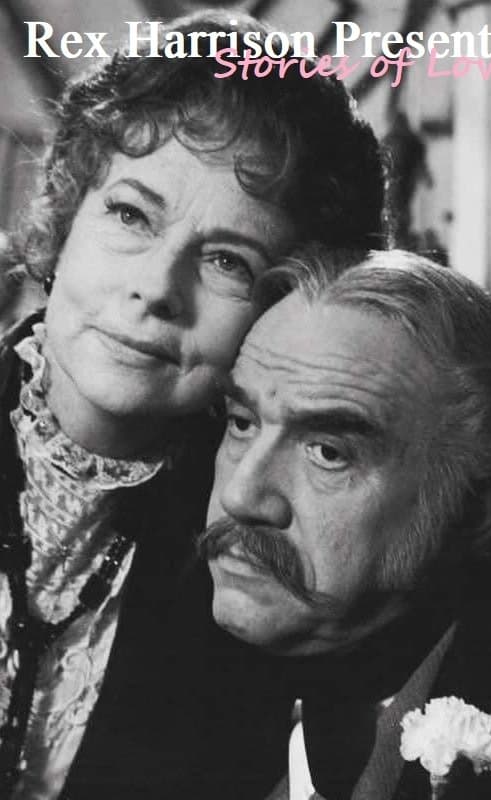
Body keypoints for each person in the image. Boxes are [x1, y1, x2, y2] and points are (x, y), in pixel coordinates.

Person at [0, 10, 385, 799]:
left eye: (226, 261)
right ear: (67, 219)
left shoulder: (266, 545)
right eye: (130, 214)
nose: (155, 288)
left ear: (281, 311)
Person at [200, 248, 491, 799]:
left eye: (328, 452)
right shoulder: (172, 676)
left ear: (472, 510)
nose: (240, 496)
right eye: (241, 423)